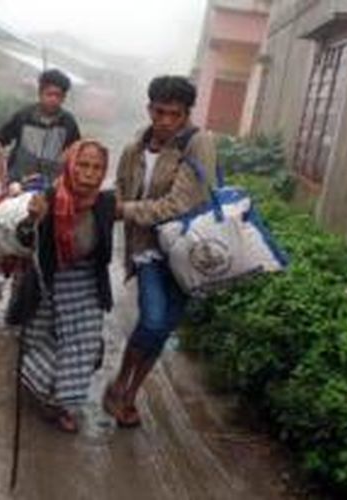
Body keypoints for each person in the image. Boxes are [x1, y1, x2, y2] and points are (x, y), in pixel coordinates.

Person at [105, 76, 217, 428]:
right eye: (160, 111)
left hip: (187, 251)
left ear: (186, 114)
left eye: (175, 114)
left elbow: (182, 202)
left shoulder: (198, 143)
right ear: (149, 107)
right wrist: (120, 207)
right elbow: (121, 190)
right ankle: (120, 382)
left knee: (162, 329)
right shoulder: (133, 149)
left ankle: (129, 393)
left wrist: (128, 211)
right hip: (147, 249)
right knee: (152, 320)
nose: (166, 121)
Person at [13, 140, 116, 433]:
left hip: (86, 283)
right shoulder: (46, 198)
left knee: (83, 344)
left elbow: (143, 212)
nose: (89, 174)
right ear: (70, 166)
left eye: (97, 168)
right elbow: (22, 240)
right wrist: (32, 219)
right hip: (49, 282)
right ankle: (43, 389)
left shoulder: (107, 203)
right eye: (83, 165)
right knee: (39, 343)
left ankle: (62, 404)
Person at [0, 69, 82, 189]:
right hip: (19, 179)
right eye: (49, 94)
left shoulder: (68, 122)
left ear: (63, 98)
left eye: (58, 95)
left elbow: (77, 148)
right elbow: (4, 134)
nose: (53, 99)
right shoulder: (24, 116)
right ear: (40, 94)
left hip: (51, 182)